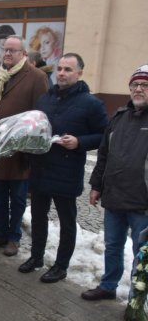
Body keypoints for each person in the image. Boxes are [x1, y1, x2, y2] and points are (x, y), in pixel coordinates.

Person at [19, 53, 107, 283]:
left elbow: (103, 136)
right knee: (38, 217)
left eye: (68, 69)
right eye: (59, 69)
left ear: (79, 73)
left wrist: (79, 142)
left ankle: (61, 266)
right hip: (40, 168)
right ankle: (36, 257)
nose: (62, 73)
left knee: (67, 222)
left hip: (66, 171)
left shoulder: (91, 103)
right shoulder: (45, 99)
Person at [81, 64, 148, 302]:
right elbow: (104, 154)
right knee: (112, 246)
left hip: (143, 202)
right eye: (135, 85)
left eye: (144, 85)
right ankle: (108, 286)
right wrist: (96, 185)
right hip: (114, 196)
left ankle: (137, 298)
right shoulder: (119, 117)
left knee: (141, 253)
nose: (138, 89)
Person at [0, 36, 49, 256]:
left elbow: (41, 116)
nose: (8, 54)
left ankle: (14, 237)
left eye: (13, 50)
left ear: (23, 54)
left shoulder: (36, 77)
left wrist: (31, 145)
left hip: (21, 151)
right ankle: (0, 233)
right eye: (5, 50)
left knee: (18, 198)